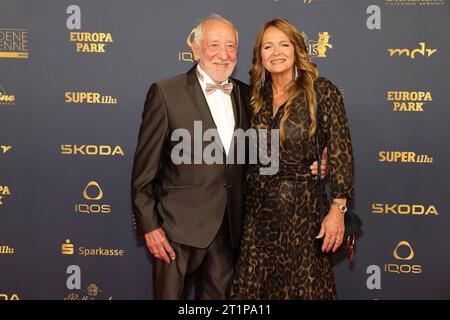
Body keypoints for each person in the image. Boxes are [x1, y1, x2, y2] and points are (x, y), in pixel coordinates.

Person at [131, 14, 325, 300]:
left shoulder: (250, 96)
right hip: (175, 231)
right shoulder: (165, 93)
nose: (223, 55)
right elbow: (143, 172)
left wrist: (319, 162)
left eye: (231, 46)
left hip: (229, 231)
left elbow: (267, 153)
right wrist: (150, 227)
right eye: (214, 45)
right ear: (196, 50)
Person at [231, 18, 354, 300]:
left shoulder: (321, 91)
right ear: (259, 55)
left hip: (303, 212)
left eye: (284, 44)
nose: (276, 52)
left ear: (297, 49)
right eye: (268, 46)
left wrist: (338, 210)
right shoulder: (253, 97)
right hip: (258, 215)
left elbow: (342, 153)